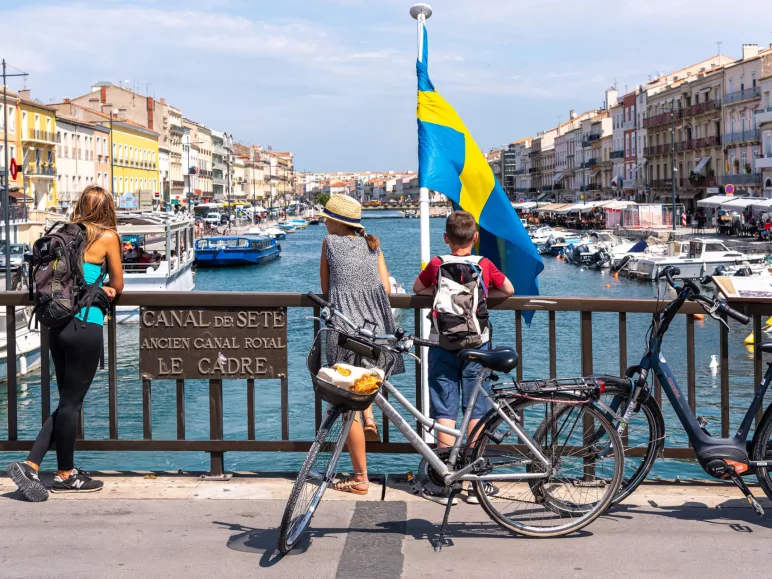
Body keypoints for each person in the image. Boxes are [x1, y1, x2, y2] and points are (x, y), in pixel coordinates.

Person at [7, 185, 124, 502]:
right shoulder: (108, 237)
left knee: (66, 402)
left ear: (80, 205)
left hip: (56, 324)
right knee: (72, 404)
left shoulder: (63, 231)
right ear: (107, 208)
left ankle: (33, 464)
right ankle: (65, 475)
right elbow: (118, 284)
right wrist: (108, 291)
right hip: (86, 323)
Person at [412, 210, 514, 505]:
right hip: (477, 345)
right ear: (475, 238)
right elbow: (508, 289)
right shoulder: (483, 264)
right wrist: (483, 295)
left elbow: (418, 289)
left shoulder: (437, 263)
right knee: (476, 409)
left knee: (445, 410)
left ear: (446, 238)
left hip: (442, 344)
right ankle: (472, 482)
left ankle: (447, 481)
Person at [320, 194, 402, 495]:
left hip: (345, 328)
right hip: (377, 329)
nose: (325, 222)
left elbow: (326, 288)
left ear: (337, 222)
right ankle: (371, 417)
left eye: (327, 218)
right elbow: (386, 288)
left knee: (346, 404)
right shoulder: (373, 245)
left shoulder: (330, 244)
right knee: (366, 383)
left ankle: (360, 477)